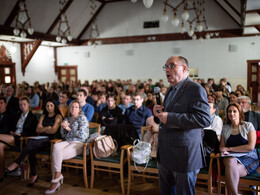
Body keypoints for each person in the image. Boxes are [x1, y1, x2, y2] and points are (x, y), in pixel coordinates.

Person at [153, 56, 211, 195]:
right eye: (165, 66)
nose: (167, 69)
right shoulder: (171, 89)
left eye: (171, 66)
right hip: (166, 152)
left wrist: (170, 117)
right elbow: (166, 118)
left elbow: (204, 119)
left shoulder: (195, 89)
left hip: (184, 155)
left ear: (184, 68)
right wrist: (158, 114)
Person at [5, 99, 62, 187]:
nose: (49, 107)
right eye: (47, 106)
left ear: (55, 106)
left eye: (51, 105)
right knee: (31, 149)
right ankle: (34, 175)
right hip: (41, 139)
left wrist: (44, 128)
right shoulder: (43, 115)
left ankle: (17, 163)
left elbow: (53, 131)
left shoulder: (58, 116)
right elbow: (37, 129)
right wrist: (48, 127)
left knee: (31, 142)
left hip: (51, 141)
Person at [45, 100, 89, 194]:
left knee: (57, 154)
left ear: (79, 109)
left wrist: (69, 128)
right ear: (69, 108)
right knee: (56, 146)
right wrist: (63, 127)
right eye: (72, 107)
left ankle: (56, 178)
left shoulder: (82, 118)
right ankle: (58, 175)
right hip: (68, 141)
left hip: (79, 143)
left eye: (76, 107)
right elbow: (64, 136)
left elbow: (83, 135)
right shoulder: (68, 119)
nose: (74, 109)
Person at [220, 103, 258, 194]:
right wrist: (222, 149)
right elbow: (221, 146)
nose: (231, 113)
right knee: (230, 161)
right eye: (229, 111)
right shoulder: (225, 128)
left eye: (234, 111)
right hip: (230, 158)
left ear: (240, 113)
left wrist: (229, 149)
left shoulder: (248, 125)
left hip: (248, 158)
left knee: (230, 172)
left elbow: (250, 147)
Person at [0, 96, 38, 181]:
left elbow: (33, 133)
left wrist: (20, 134)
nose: (22, 106)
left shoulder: (33, 117)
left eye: (24, 104)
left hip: (22, 139)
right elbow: (11, 127)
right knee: (0, 146)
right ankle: (1, 174)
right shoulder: (17, 115)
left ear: (28, 104)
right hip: (12, 137)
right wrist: (12, 132)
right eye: (20, 105)